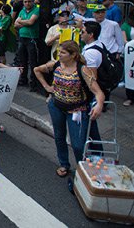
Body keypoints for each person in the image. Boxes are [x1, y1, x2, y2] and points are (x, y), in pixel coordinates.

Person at [33, 41, 106, 179]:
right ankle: (64, 164)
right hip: (56, 107)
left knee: (78, 145)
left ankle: (83, 170)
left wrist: (99, 105)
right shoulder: (55, 65)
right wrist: (47, 87)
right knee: (59, 137)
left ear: (73, 55)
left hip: (77, 111)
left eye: (62, 52)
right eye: (59, 52)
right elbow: (36, 70)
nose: (59, 54)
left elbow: (99, 93)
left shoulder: (83, 70)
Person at [14, 0, 42, 91]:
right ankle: (23, 79)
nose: (27, 3)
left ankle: (33, 82)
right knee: (22, 60)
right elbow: (15, 24)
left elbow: (31, 22)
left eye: (29, 1)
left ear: (32, 2)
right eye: (25, 2)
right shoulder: (22, 11)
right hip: (22, 38)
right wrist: (24, 22)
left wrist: (21, 22)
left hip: (32, 38)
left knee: (32, 61)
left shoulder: (36, 10)